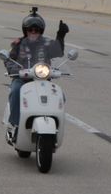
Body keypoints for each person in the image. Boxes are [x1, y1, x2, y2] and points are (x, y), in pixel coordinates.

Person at [4, 8, 69, 143]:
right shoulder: (19, 44)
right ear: (25, 30)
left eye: (37, 30)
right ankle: (14, 124)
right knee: (15, 91)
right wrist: (15, 69)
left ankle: (54, 121)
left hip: (43, 79)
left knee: (60, 94)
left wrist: (61, 35)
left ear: (41, 31)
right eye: (30, 30)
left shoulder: (47, 43)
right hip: (22, 79)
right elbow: (9, 59)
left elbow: (58, 52)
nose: (33, 32)